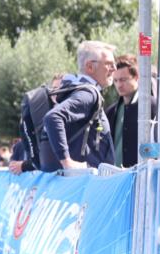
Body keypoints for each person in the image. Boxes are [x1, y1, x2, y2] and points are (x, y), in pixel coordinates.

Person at [41, 41, 115, 171]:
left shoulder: (77, 90)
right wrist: (67, 162)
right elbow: (53, 117)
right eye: (108, 64)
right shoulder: (89, 93)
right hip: (84, 180)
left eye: (114, 64)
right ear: (90, 67)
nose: (114, 68)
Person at [105, 57, 155, 168]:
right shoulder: (110, 112)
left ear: (136, 77)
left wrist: (147, 162)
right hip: (116, 174)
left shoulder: (152, 106)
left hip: (143, 173)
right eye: (115, 81)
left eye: (123, 80)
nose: (119, 85)